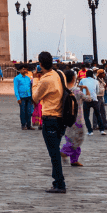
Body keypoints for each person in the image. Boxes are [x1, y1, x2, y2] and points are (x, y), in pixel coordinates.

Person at [32, 50, 67, 194]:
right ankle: (57, 181)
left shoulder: (45, 80)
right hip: (61, 118)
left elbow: (35, 97)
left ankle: (59, 183)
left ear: (40, 64)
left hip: (50, 118)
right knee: (55, 151)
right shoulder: (60, 74)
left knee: (54, 153)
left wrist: (35, 80)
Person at [59, 68, 86, 168]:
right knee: (78, 140)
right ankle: (64, 152)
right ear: (74, 78)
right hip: (77, 118)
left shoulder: (62, 90)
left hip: (65, 119)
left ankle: (74, 160)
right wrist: (86, 89)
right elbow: (89, 98)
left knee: (70, 138)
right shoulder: (76, 91)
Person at [14, 64, 34, 129]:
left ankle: (29, 125)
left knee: (29, 111)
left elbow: (30, 87)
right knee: (23, 111)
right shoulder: (17, 78)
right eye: (22, 69)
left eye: (24, 69)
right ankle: (23, 125)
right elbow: (16, 88)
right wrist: (18, 98)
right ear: (19, 70)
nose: (24, 70)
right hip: (22, 97)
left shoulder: (28, 78)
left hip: (28, 96)